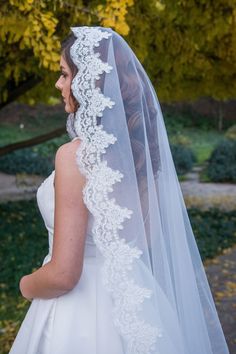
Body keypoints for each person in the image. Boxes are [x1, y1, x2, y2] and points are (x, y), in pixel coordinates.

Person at [8, 26, 230, 354]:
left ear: (89, 83)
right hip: (138, 299)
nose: (58, 84)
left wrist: (25, 285)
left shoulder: (74, 157)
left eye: (64, 74)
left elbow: (64, 275)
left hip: (78, 313)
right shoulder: (141, 157)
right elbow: (144, 239)